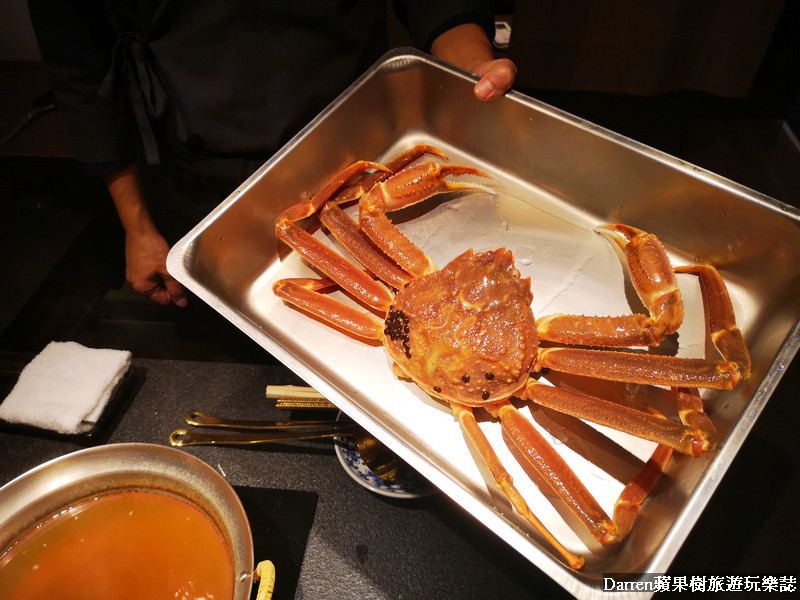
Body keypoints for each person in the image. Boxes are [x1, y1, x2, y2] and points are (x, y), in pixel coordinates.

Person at [28, 1, 517, 308]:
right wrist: (137, 228)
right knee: (233, 329)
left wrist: (468, 66)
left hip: (356, 146)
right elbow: (78, 61)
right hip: (193, 168)